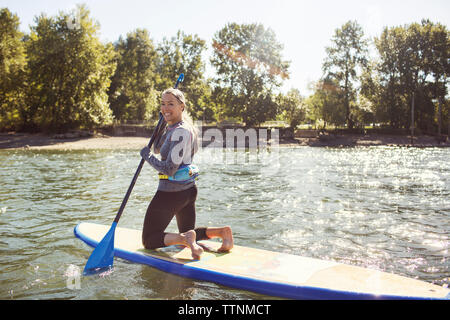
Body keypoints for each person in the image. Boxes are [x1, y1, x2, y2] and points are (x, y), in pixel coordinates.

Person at [140, 88, 233, 259]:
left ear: (181, 106)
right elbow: (159, 148)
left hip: (170, 193)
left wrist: (148, 157)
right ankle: (222, 232)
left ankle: (185, 240)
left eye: (171, 104)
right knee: (188, 232)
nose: (165, 108)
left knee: (149, 239)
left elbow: (169, 169)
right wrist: (161, 127)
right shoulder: (182, 128)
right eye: (162, 104)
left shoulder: (180, 132)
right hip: (188, 191)